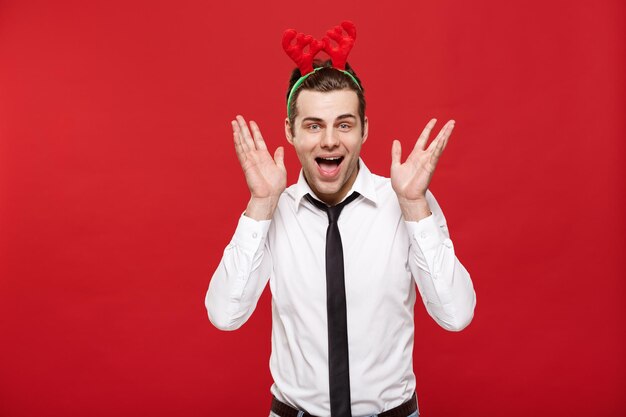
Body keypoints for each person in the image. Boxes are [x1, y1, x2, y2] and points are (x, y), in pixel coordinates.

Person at [205, 21, 476, 417]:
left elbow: (456, 314)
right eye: (313, 125)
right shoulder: (271, 210)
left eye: (344, 124)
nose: (329, 140)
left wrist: (416, 206)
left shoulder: (403, 201)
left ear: (364, 129)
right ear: (290, 131)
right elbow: (224, 316)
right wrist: (261, 204)